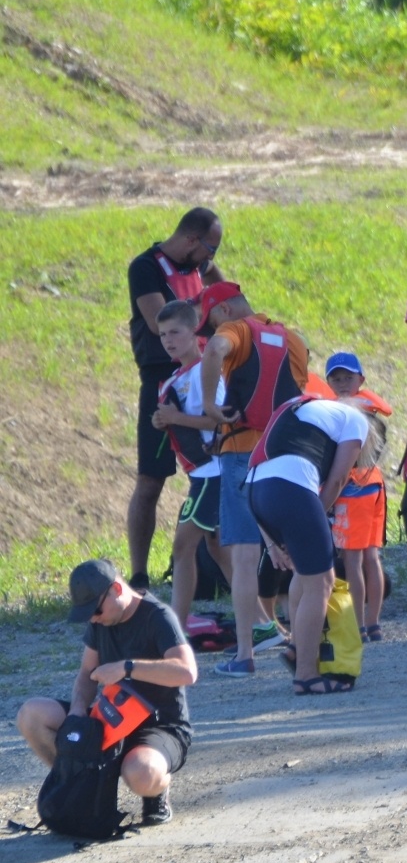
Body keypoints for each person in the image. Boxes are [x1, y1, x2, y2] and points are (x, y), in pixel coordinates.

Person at [17, 559, 198, 826]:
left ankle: (157, 792)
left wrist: (127, 668)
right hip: (111, 719)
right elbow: (86, 675)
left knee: (142, 773)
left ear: (117, 589)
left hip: (159, 726)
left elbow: (187, 672)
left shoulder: (158, 617)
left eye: (96, 610)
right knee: (31, 715)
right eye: (88, 614)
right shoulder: (101, 621)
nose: (93, 618)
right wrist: (77, 712)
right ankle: (79, 782)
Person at [196, 282, 309, 676]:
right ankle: (301, 645)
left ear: (225, 310)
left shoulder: (236, 331)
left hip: (241, 451)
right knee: (300, 552)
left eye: (211, 321)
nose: (211, 332)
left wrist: (209, 405)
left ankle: (245, 654)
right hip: (285, 452)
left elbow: (215, 350)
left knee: (243, 557)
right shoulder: (293, 339)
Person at [126, 207, 224, 591]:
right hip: (162, 381)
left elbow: (227, 292)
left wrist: (216, 289)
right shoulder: (145, 267)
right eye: (210, 249)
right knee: (151, 480)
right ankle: (138, 574)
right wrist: (205, 304)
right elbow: (157, 322)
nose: (211, 258)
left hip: (201, 373)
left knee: (215, 468)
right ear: (191, 240)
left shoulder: (199, 264)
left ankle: (217, 571)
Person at [244, 395, 369, 694]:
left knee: (306, 571)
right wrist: (316, 517)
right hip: (290, 487)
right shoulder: (357, 421)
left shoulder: (299, 407)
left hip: (254, 489)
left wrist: (272, 543)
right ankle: (306, 675)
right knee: (322, 582)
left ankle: (297, 649)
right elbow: (338, 480)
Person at [149, 299, 226, 629]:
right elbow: (177, 418)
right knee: (219, 548)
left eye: (175, 332)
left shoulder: (206, 371)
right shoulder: (174, 378)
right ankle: (261, 619)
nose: (168, 340)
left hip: (213, 472)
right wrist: (162, 421)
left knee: (183, 546)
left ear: (195, 331)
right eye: (163, 334)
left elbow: (221, 422)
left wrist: (176, 418)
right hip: (200, 474)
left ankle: (176, 627)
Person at [324, 352, 393, 640]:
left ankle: (360, 625)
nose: (342, 383)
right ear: (328, 382)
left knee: (353, 560)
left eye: (347, 378)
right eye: (336, 379)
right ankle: (374, 624)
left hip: (352, 490)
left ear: (361, 379)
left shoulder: (341, 414)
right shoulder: (371, 412)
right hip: (375, 487)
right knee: (371, 557)